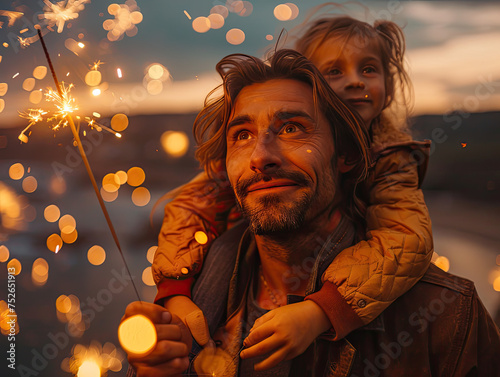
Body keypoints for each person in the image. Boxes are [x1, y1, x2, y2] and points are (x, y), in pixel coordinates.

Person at [123, 49, 500, 376]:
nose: (261, 157)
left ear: (346, 157)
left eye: (291, 128)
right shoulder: (189, 302)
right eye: (241, 135)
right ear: (225, 166)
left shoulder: (448, 316)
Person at [152, 15, 433, 363]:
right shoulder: (239, 198)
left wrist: (322, 311)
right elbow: (189, 210)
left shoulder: (393, 159)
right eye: (334, 72)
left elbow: (405, 240)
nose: (354, 82)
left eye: (369, 69)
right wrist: (174, 292)